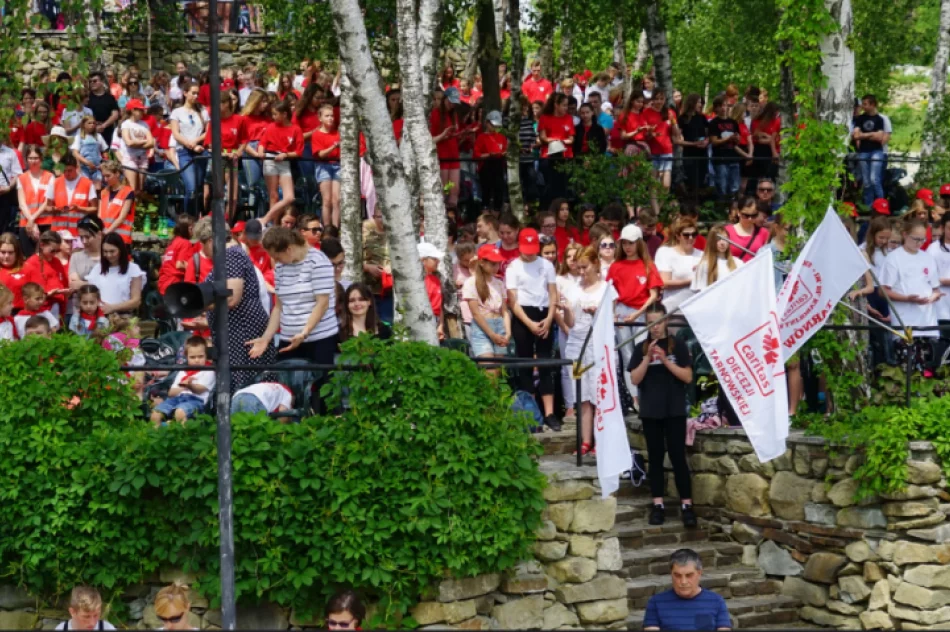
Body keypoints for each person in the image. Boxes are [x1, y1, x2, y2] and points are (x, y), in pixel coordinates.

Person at [630, 304, 696, 527]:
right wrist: (648, 358)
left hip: (674, 410)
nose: (655, 327)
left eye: (658, 322)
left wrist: (666, 361)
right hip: (651, 411)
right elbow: (635, 379)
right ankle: (657, 505)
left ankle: (687, 505)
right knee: (655, 460)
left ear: (666, 322)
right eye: (650, 323)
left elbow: (687, 377)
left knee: (678, 458)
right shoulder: (640, 348)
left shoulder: (678, 346)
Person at [193, 217, 275, 392]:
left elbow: (232, 298)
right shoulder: (230, 256)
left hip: (241, 331)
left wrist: (202, 307)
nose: (202, 249)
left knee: (242, 384)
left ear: (210, 241)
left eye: (202, 243)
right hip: (235, 331)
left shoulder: (231, 255)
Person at [253, 226, 338, 365]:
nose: (276, 261)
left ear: (288, 249)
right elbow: (279, 307)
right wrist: (266, 338)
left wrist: (304, 332)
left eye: (277, 257)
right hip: (287, 337)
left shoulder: (318, 261)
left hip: (319, 339)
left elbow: (322, 304)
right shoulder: (280, 268)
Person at [506, 227, 560, 430]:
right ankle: (530, 412)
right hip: (523, 314)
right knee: (525, 362)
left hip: (544, 311)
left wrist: (549, 317)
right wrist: (528, 323)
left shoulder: (546, 265)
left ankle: (549, 412)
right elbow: (513, 300)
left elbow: (553, 292)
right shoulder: (513, 267)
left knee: (546, 362)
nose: (529, 253)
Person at [557, 245, 607, 456]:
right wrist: (567, 310)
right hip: (577, 345)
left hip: (598, 345)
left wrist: (597, 312)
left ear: (596, 264)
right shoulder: (573, 288)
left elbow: (610, 320)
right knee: (582, 394)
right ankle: (585, 440)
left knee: (599, 393)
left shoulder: (606, 288)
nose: (581, 272)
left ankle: (601, 440)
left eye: (585, 267)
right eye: (578, 268)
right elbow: (570, 322)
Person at [881, 218, 942, 339]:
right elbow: (883, 290)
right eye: (916, 239)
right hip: (905, 321)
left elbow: (935, 288)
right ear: (905, 235)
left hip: (928, 322)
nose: (919, 243)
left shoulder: (928, 258)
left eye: (923, 239)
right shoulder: (893, 258)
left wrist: (935, 296)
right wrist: (907, 298)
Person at [643, 549, 731, 631]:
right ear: (671, 574)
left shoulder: (716, 601)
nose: (683, 582)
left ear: (699, 573)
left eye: (689, 575)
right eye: (677, 575)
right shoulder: (656, 603)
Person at [255, 100, 302, 225]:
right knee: (273, 195)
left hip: (284, 161)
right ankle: (274, 224)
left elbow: (298, 152)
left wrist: (286, 154)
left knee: (289, 197)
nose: (273, 117)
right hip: (270, 159)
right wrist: (260, 152)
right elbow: (262, 143)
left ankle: (265, 219)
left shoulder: (295, 129)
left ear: (285, 114)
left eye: (276, 114)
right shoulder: (271, 127)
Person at [151, 336, 215, 425]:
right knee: (155, 414)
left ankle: (182, 436)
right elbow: (171, 392)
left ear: (206, 356)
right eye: (192, 357)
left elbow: (200, 389)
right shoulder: (183, 371)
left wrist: (190, 386)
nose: (197, 360)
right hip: (178, 398)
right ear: (186, 357)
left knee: (180, 412)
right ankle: (157, 434)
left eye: (200, 356)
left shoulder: (209, 370)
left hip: (197, 401)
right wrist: (184, 387)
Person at [463, 243, 510, 362]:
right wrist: (492, 334)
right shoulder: (470, 283)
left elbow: (504, 311)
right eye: (493, 264)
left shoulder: (499, 283)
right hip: (482, 327)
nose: (496, 267)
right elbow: (476, 314)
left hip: (499, 325)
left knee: (499, 368)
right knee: (488, 367)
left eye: (498, 263)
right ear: (482, 263)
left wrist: (508, 333)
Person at [168, 81, 208, 214]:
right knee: (190, 188)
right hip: (184, 152)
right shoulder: (177, 112)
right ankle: (187, 220)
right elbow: (176, 133)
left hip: (200, 151)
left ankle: (197, 218)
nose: (196, 96)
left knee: (198, 188)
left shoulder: (202, 111)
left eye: (198, 93)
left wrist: (196, 142)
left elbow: (207, 132)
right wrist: (189, 144)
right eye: (193, 93)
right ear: (185, 93)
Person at [86, 233, 144, 316]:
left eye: (112, 251)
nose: (108, 255)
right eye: (105, 251)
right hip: (101, 317)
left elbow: (136, 301)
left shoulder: (133, 269)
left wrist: (113, 307)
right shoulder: (97, 268)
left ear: (120, 250)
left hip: (123, 318)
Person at [852, 94, 891, 208]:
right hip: (863, 151)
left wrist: (863, 135)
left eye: (865, 104)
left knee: (875, 179)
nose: (863, 106)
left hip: (876, 151)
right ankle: (868, 206)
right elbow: (856, 135)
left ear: (872, 104)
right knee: (867, 181)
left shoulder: (880, 119)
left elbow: (880, 137)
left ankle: (881, 204)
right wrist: (871, 134)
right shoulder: (860, 119)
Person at [655, 218, 702, 312]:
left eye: (694, 235)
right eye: (686, 235)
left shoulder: (703, 255)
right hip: (673, 309)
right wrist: (691, 281)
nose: (690, 238)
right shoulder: (665, 252)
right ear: (678, 236)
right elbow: (664, 283)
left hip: (697, 310)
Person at [537, 94, 575, 207]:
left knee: (564, 187)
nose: (566, 108)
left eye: (567, 105)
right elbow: (543, 137)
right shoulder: (544, 118)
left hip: (566, 156)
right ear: (556, 105)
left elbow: (571, 139)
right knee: (549, 186)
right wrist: (558, 140)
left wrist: (560, 141)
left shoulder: (568, 118)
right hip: (548, 157)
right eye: (563, 105)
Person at [17, 144, 55, 257]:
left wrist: (33, 219)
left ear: (41, 159)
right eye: (30, 158)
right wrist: (31, 221)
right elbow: (22, 203)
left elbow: (47, 201)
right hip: (26, 224)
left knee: (45, 256)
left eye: (36, 158)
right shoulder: (21, 178)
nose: (33, 161)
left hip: (45, 222)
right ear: (26, 159)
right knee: (30, 258)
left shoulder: (49, 177)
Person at [48, 154, 97, 237]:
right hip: (58, 233)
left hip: (78, 234)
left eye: (70, 170)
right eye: (64, 170)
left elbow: (95, 208)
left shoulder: (87, 184)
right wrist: (57, 209)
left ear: (76, 167)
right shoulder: (55, 182)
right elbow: (47, 207)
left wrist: (79, 208)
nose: (67, 173)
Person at [22, 230, 70, 316]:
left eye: (57, 251)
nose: (55, 254)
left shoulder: (57, 261)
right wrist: (48, 294)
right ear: (42, 245)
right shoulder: (30, 264)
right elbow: (28, 292)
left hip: (59, 307)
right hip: (41, 310)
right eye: (52, 251)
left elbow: (64, 283)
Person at [310, 103, 343, 227]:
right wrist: (334, 146)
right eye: (327, 116)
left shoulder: (338, 133)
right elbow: (320, 154)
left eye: (332, 116)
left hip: (337, 165)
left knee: (337, 199)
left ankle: (335, 227)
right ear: (320, 118)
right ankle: (327, 227)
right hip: (323, 166)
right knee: (327, 200)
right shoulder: (317, 134)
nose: (330, 118)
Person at [431, 87, 462, 211]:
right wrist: (444, 135)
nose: (452, 105)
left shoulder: (453, 115)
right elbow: (431, 139)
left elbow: (454, 137)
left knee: (454, 189)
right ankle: (441, 214)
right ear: (444, 100)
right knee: (444, 188)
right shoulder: (435, 114)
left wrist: (461, 134)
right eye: (450, 102)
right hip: (442, 157)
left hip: (453, 156)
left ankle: (453, 215)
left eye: (454, 103)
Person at [473, 110, 507, 214]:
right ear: (487, 123)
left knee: (499, 193)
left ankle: (496, 216)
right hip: (486, 167)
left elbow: (505, 151)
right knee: (486, 193)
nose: (494, 128)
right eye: (492, 124)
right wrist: (489, 155)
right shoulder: (481, 137)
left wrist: (505, 154)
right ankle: (485, 216)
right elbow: (476, 155)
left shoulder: (502, 137)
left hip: (498, 167)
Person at [691, 224, 743, 292]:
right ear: (712, 241)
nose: (722, 243)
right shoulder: (705, 264)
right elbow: (700, 294)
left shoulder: (738, 263)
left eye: (725, 239)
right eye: (718, 239)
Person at [675, 94, 709, 194]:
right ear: (692, 103)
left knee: (701, 179)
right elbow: (678, 139)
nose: (700, 104)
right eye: (698, 102)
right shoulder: (682, 118)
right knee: (691, 179)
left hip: (702, 153)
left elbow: (708, 134)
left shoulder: (702, 117)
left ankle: (697, 201)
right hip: (690, 154)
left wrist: (706, 142)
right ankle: (690, 202)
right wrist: (693, 144)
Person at [117, 100, 153, 194]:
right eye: (140, 110)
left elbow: (152, 142)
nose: (143, 112)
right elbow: (128, 142)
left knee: (141, 189)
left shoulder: (144, 124)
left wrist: (136, 143)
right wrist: (144, 142)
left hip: (143, 157)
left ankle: (139, 207)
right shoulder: (126, 124)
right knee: (132, 188)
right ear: (133, 110)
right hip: (130, 157)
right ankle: (130, 207)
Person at [157, 216, 197, 295]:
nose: (193, 232)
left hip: (163, 283)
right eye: (191, 228)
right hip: (175, 284)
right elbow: (179, 264)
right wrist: (196, 267)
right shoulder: (185, 243)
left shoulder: (173, 242)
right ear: (186, 229)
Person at [98, 161, 135, 244]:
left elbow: (122, 218)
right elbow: (99, 216)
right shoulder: (103, 193)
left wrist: (107, 232)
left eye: (108, 176)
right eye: (104, 176)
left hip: (121, 239)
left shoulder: (128, 192)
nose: (105, 179)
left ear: (117, 174)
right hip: (105, 237)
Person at [724, 197, 768, 262]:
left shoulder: (764, 233)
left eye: (753, 215)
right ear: (738, 212)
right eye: (746, 215)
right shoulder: (727, 231)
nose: (750, 219)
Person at [86, 72, 121, 147]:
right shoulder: (87, 98)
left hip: (107, 132)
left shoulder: (110, 98)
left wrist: (103, 126)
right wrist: (93, 127)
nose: (92, 83)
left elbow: (115, 115)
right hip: (89, 132)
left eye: (95, 81)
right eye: (90, 81)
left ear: (101, 82)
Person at [71, 116, 109, 186]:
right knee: (86, 185)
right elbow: (75, 153)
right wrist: (87, 162)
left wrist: (105, 162)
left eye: (94, 123)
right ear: (83, 125)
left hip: (97, 167)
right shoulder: (79, 137)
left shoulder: (98, 136)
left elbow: (104, 150)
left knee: (98, 185)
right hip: (83, 167)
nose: (92, 125)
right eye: (89, 123)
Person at [0, 129, 25, 234]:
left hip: (4, 195)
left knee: (2, 226)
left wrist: (9, 187)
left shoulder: (10, 153)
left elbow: (18, 174)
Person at [419, 241, 445, 338]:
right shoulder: (418, 282)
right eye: (434, 259)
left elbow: (439, 306)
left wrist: (440, 325)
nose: (438, 261)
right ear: (423, 260)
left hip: (435, 320)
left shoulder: (436, 280)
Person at [0, 233, 28, 310]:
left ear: (17, 253)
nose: (6, 256)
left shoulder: (27, 268)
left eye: (10, 252)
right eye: (3, 252)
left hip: (22, 313)